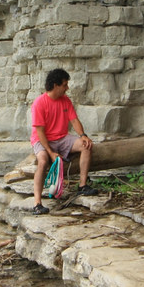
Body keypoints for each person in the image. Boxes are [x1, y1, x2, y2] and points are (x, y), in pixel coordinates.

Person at [30, 68, 97, 213]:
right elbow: (40, 132)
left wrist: (83, 135)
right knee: (42, 161)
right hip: (42, 140)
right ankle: (37, 204)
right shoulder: (39, 103)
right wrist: (50, 152)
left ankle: (82, 186)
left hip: (62, 137)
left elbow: (74, 120)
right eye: (65, 85)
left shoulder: (66, 100)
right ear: (55, 85)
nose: (67, 88)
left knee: (86, 146)